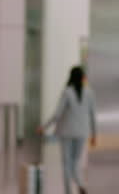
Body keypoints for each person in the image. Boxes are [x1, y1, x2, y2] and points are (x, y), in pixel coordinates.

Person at [37, 66, 97, 194]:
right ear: (82, 78)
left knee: (66, 163)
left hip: (66, 133)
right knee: (76, 162)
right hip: (82, 132)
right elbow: (93, 115)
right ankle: (81, 184)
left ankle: (69, 191)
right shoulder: (89, 93)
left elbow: (57, 114)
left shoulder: (67, 92)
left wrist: (44, 127)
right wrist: (94, 135)